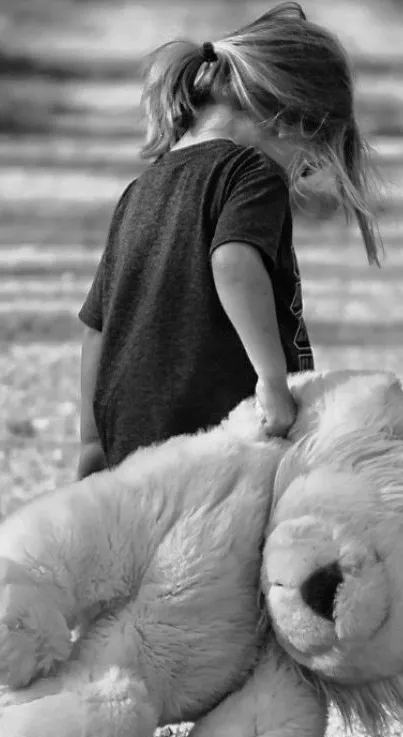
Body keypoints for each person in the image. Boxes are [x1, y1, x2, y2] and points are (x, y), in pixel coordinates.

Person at [77, 1, 381, 481]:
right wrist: (272, 379)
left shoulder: (141, 189)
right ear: (288, 119)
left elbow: (97, 327)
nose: (301, 174)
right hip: (218, 435)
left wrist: (92, 441)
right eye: (308, 161)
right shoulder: (252, 171)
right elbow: (234, 262)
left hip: (130, 441)